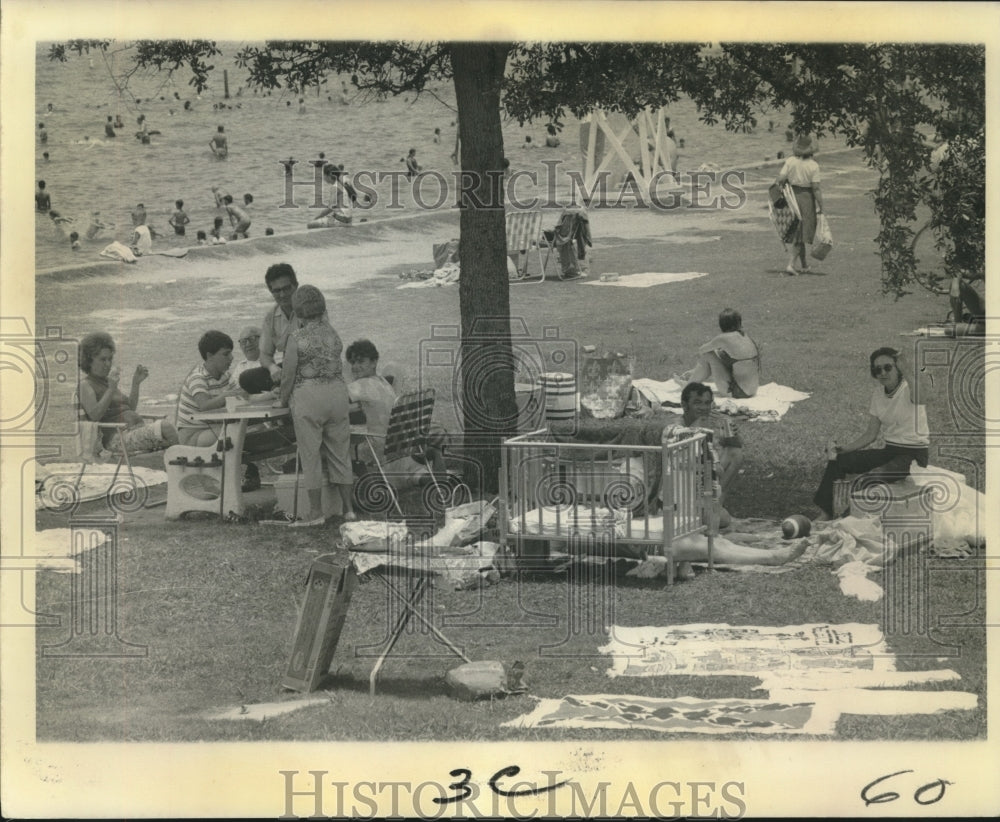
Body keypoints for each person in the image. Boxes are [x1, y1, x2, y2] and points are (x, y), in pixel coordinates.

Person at [813, 347, 930, 520]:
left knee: (868, 479)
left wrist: (907, 370)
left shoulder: (909, 389)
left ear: (898, 368)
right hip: (890, 451)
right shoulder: (878, 394)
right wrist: (843, 449)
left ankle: (847, 520)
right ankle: (826, 513)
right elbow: (870, 434)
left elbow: (922, 398)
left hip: (912, 456)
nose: (882, 373)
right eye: (877, 369)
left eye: (888, 367)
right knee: (840, 461)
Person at [277, 285, 355, 526]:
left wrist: (282, 400)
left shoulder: (296, 338)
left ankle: (316, 512)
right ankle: (348, 510)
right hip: (337, 394)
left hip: (309, 397)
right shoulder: (333, 334)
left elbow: (288, 375)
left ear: (297, 313)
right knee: (340, 453)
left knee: (310, 455)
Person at [345, 339, 449, 478]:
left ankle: (372, 481)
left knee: (342, 448)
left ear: (374, 362)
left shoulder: (362, 384)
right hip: (398, 442)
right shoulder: (383, 381)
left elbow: (333, 399)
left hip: (379, 446)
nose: (355, 366)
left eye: (360, 361)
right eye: (352, 362)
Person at [77, 331, 179, 455]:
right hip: (116, 439)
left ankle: (180, 459)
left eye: (110, 359)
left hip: (133, 432)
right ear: (89, 361)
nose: (108, 364)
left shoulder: (107, 382)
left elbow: (129, 408)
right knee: (166, 428)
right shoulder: (85, 385)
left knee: (175, 433)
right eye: (103, 359)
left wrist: (136, 383)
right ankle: (182, 459)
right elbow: (95, 416)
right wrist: (111, 389)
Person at [666, 382, 743, 519]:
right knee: (724, 519)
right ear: (684, 405)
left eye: (707, 403)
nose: (704, 408)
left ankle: (714, 504)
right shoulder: (676, 426)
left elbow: (736, 448)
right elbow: (683, 463)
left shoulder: (709, 422)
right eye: (697, 403)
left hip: (703, 481)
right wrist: (698, 426)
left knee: (735, 453)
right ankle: (704, 511)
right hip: (682, 488)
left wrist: (733, 434)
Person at [175, 331, 243, 446]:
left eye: (231, 353)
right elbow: (204, 405)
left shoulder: (226, 376)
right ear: (210, 356)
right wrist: (227, 396)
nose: (231, 358)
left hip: (213, 428)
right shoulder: (198, 377)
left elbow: (239, 396)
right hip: (192, 435)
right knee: (237, 432)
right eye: (226, 354)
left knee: (243, 430)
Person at [674, 308, 761, 399]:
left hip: (738, 392)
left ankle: (688, 387)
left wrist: (695, 372)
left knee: (709, 355)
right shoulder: (745, 336)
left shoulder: (723, 338)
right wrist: (694, 371)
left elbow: (702, 350)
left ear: (722, 324)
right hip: (752, 390)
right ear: (739, 322)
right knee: (717, 355)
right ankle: (690, 381)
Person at [775, 135, 824, 275]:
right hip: (806, 198)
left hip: (791, 197)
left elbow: (780, 179)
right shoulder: (813, 166)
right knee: (801, 233)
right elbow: (816, 188)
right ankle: (791, 264)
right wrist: (821, 205)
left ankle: (804, 264)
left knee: (798, 231)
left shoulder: (790, 161)